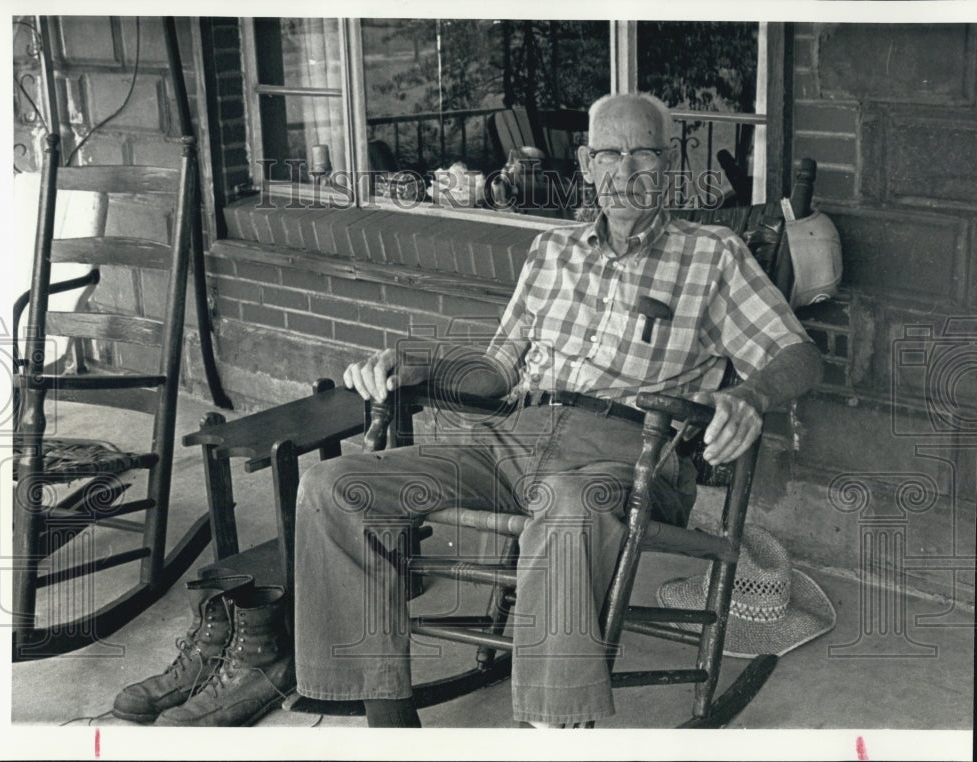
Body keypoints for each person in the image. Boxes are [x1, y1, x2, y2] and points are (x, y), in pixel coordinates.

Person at [293, 92, 823, 728]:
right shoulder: (551, 251)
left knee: (570, 506)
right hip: (510, 440)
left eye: (644, 153)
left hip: (625, 454)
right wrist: (415, 366)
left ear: (670, 159)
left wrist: (749, 394)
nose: (626, 171)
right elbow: (496, 371)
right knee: (333, 484)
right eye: (611, 154)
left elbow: (799, 355)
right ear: (587, 162)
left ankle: (554, 724)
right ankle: (386, 714)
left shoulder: (714, 255)